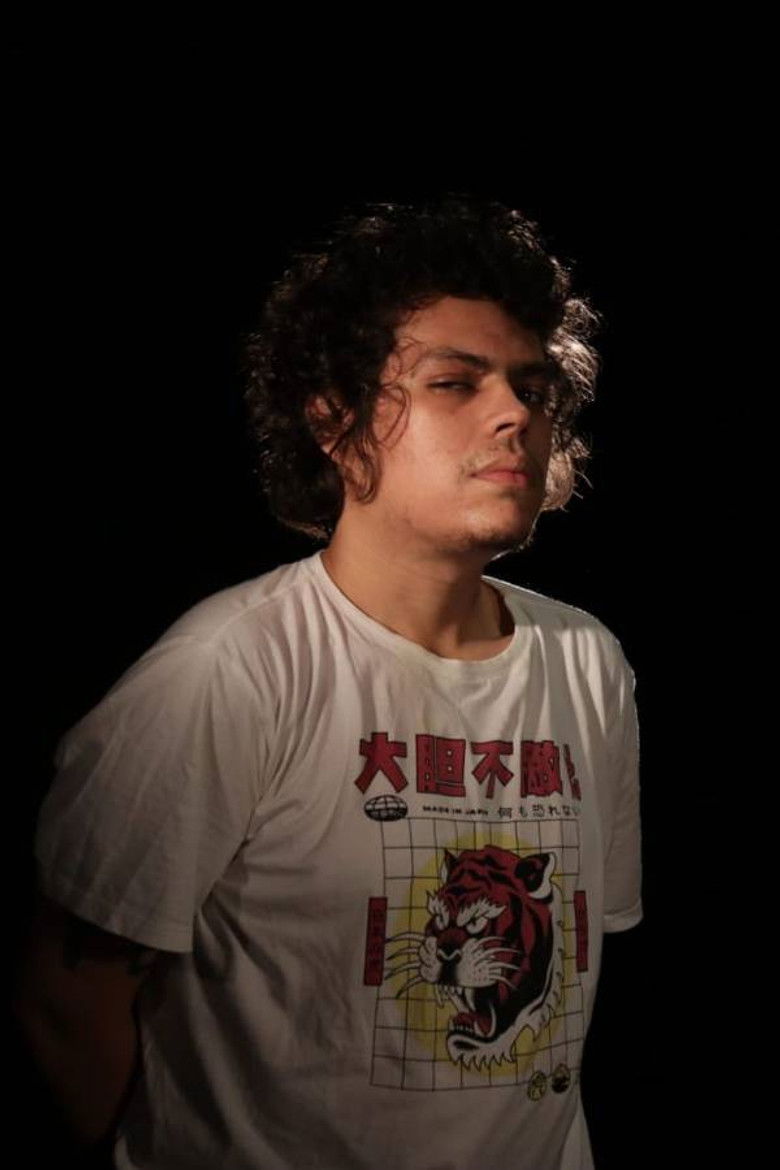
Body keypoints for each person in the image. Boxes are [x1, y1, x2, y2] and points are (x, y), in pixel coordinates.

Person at [15, 194, 642, 1169]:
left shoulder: (587, 662)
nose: (516, 413)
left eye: (530, 385)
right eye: (454, 382)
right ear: (336, 422)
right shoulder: (228, 672)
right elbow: (68, 1004)